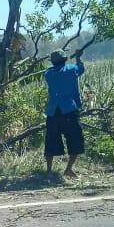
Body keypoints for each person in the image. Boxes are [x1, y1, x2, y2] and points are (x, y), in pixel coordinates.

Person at [44, 48, 85, 177]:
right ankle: (68, 169)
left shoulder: (48, 74)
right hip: (69, 110)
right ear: (65, 59)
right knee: (75, 140)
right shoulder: (72, 70)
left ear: (52, 62)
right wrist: (78, 56)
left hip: (53, 111)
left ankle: (49, 170)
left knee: (51, 140)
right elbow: (81, 68)